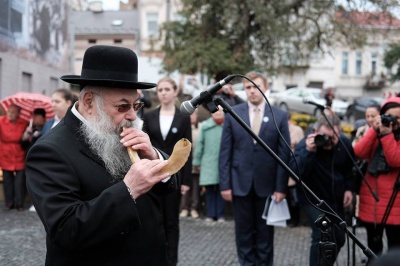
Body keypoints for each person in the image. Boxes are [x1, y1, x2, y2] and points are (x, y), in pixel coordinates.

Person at [25, 45, 178, 265]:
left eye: (136, 104)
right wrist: (128, 190)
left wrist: (154, 157)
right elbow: (66, 229)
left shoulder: (117, 129)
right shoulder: (48, 151)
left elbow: (168, 189)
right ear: (88, 102)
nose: (133, 115)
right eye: (123, 106)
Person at [219, 71, 291, 265]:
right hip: (240, 184)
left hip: (267, 186)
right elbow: (225, 152)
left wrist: (281, 187)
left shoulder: (280, 116)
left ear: (265, 87)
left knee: (265, 236)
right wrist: (225, 184)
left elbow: (284, 155)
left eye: (256, 86)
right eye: (248, 87)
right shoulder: (233, 113)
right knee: (243, 234)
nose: (252, 91)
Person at [142, 77, 192, 266]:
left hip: (175, 174)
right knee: (155, 219)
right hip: (154, 174)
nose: (163, 92)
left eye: (166, 89)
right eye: (160, 89)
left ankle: (172, 261)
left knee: (171, 222)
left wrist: (186, 180)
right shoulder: (149, 116)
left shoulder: (183, 117)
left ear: (175, 92)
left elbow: (188, 148)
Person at [294, 114, 354, 266]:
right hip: (311, 198)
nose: (327, 142)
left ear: (339, 133)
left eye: (332, 138)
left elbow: (350, 170)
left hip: (335, 198)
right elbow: (296, 173)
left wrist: (349, 189)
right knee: (323, 231)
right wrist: (309, 151)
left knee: (339, 237)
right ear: (315, 131)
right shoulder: (306, 144)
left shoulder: (345, 144)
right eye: (324, 137)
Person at [353, 97, 400, 261]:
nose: (394, 122)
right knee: (373, 249)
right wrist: (374, 129)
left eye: (398, 117)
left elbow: (395, 160)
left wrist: (387, 136)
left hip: (395, 204)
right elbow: (359, 152)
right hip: (372, 200)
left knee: (396, 248)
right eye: (390, 117)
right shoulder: (377, 133)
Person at [193, 107, 226, 222]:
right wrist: (197, 161)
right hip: (208, 163)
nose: (218, 113)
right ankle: (211, 214)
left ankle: (221, 214)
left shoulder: (227, 126)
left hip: (223, 164)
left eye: (221, 111)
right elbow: (200, 145)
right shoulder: (206, 126)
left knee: (222, 189)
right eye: (216, 111)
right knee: (210, 190)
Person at [0, 104, 29, 211]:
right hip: (5, 153)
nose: (10, 114)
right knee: (7, 180)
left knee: (20, 180)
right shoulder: (1, 121)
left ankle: (20, 204)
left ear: (18, 113)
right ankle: (9, 203)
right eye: (9, 111)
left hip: (19, 153)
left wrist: (27, 133)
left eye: (13, 112)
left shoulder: (24, 123)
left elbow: (26, 139)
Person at [180, 110, 201, 219]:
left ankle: (194, 208)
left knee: (195, 188)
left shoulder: (200, 128)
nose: (192, 116)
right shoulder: (183, 128)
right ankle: (184, 208)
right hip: (185, 163)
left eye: (194, 114)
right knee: (184, 187)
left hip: (196, 163)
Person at [287, 112, 305, 227]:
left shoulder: (297, 130)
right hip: (283, 165)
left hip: (293, 166)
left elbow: (302, 146)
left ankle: (295, 219)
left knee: (293, 195)